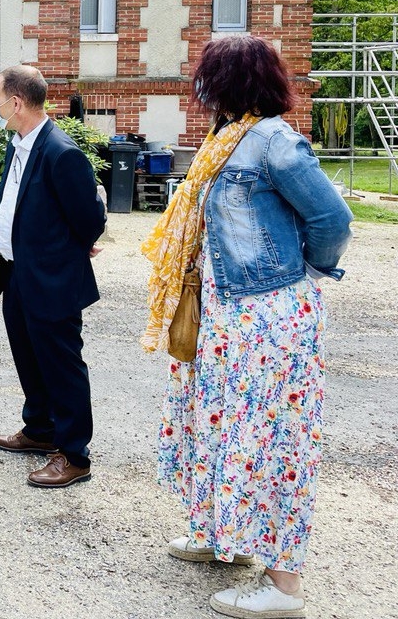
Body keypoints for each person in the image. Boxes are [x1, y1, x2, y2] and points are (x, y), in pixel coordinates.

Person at [142, 35, 352, 619]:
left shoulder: (274, 141)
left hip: (269, 321)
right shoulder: (225, 138)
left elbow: (332, 219)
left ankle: (284, 588)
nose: (199, 88)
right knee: (219, 428)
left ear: (231, 82)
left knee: (269, 442)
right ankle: (222, 537)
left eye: (206, 76)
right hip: (226, 317)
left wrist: (301, 270)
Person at [0, 65, 106, 487]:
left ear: (16, 102)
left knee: (61, 364)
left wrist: (78, 244)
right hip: (16, 271)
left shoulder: (61, 151)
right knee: (28, 355)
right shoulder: (17, 145)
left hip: (52, 277)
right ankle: (40, 429)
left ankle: (74, 454)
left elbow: (89, 216)